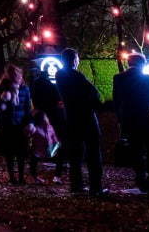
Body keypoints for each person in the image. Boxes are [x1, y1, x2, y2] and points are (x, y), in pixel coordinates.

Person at [113, 53, 149, 196]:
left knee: (136, 151)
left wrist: (121, 121)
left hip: (130, 120)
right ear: (143, 64)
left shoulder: (119, 78)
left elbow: (117, 102)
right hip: (148, 117)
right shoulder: (147, 78)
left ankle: (141, 180)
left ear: (128, 63)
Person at [55, 48, 105, 195]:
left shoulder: (60, 75)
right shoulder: (76, 75)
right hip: (86, 117)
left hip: (71, 117)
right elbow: (92, 93)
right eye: (77, 58)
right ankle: (96, 187)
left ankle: (76, 186)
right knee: (93, 152)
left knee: (75, 154)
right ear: (74, 60)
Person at [0, 64, 34, 184]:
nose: (17, 78)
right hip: (7, 124)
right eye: (14, 76)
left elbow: (28, 107)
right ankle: (12, 177)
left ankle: (21, 177)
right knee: (9, 153)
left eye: (18, 75)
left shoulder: (25, 89)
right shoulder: (2, 88)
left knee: (21, 152)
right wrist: (2, 100)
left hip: (20, 124)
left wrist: (30, 122)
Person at [28, 62, 66, 178]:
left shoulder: (37, 83)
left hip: (42, 116)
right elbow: (57, 99)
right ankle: (57, 174)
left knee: (40, 144)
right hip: (51, 116)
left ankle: (35, 172)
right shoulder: (49, 84)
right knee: (56, 144)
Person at [28, 110, 60, 183]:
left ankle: (57, 176)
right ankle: (34, 177)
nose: (45, 119)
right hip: (38, 151)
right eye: (43, 118)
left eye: (45, 117)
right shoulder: (35, 128)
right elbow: (29, 137)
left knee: (60, 155)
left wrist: (55, 148)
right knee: (34, 158)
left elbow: (55, 139)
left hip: (49, 150)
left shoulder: (50, 127)